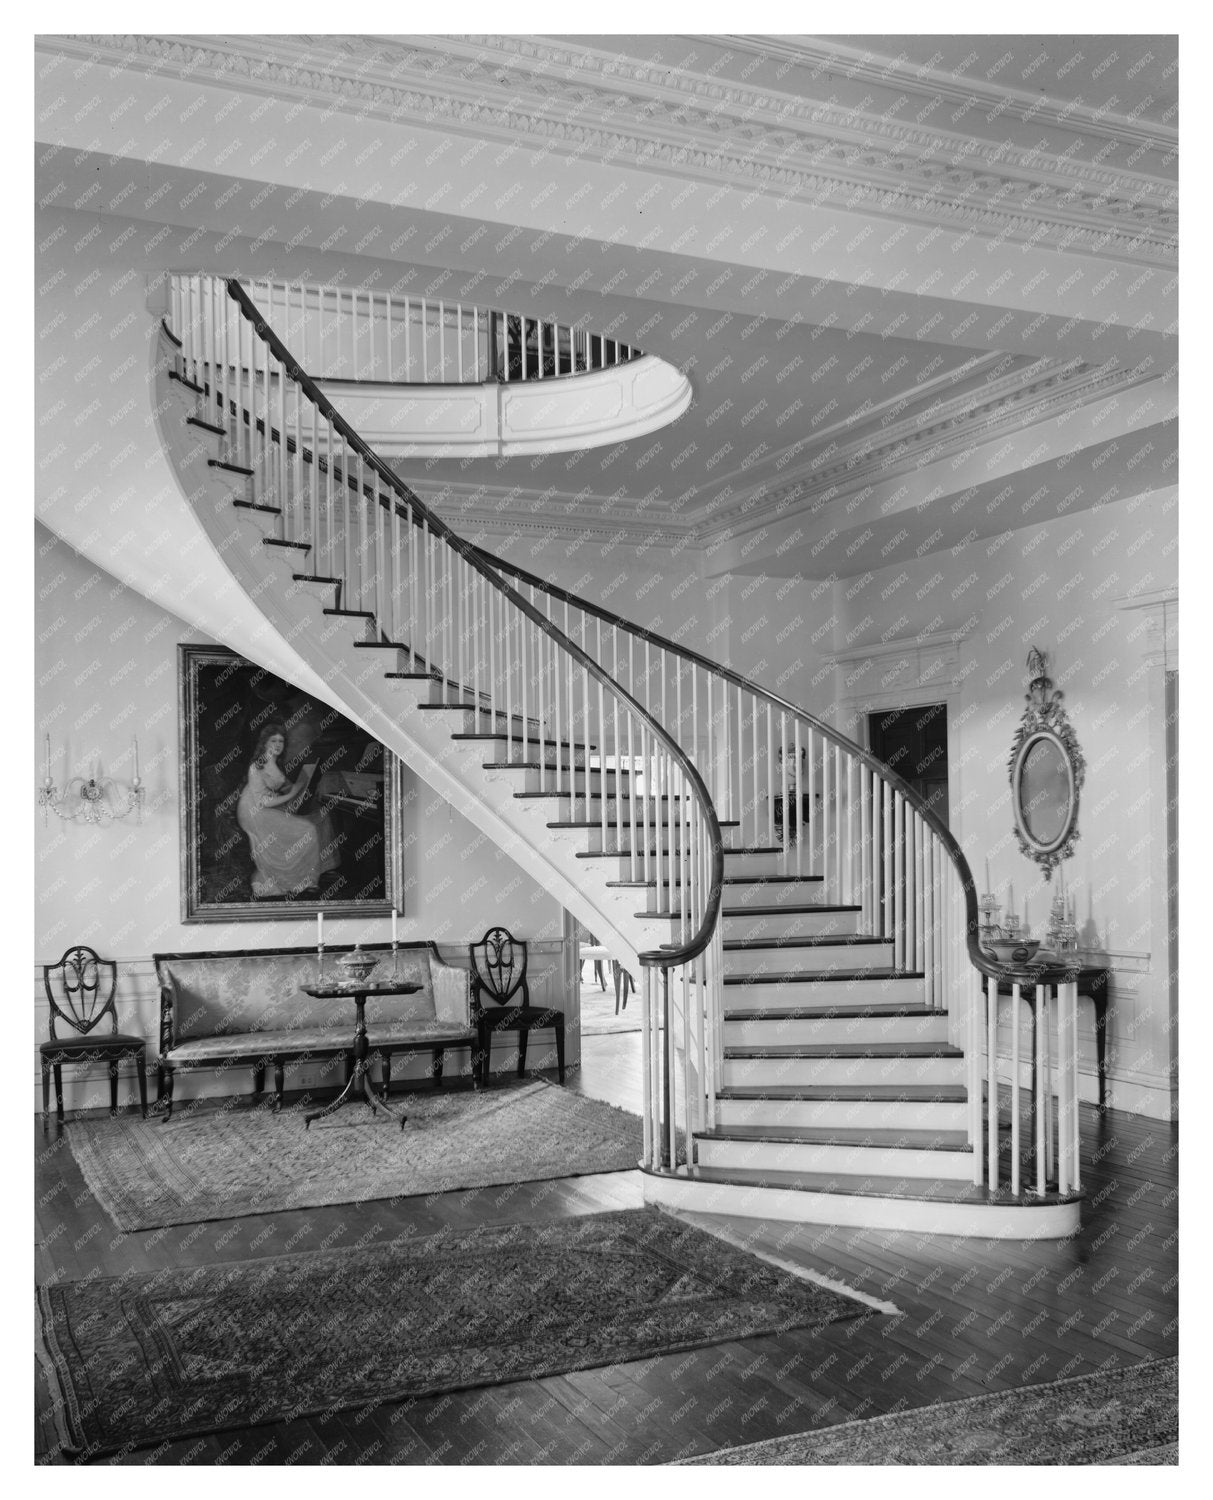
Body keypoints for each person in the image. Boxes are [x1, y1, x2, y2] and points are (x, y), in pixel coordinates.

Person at [236, 722, 336, 898]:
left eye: (281, 741)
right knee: (307, 830)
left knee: (319, 817)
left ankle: (318, 872)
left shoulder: (274, 763)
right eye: (273, 740)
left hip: (268, 805)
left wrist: (304, 783)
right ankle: (301, 880)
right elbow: (263, 802)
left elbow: (283, 786)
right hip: (254, 812)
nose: (277, 745)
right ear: (265, 743)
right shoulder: (256, 767)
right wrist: (293, 793)